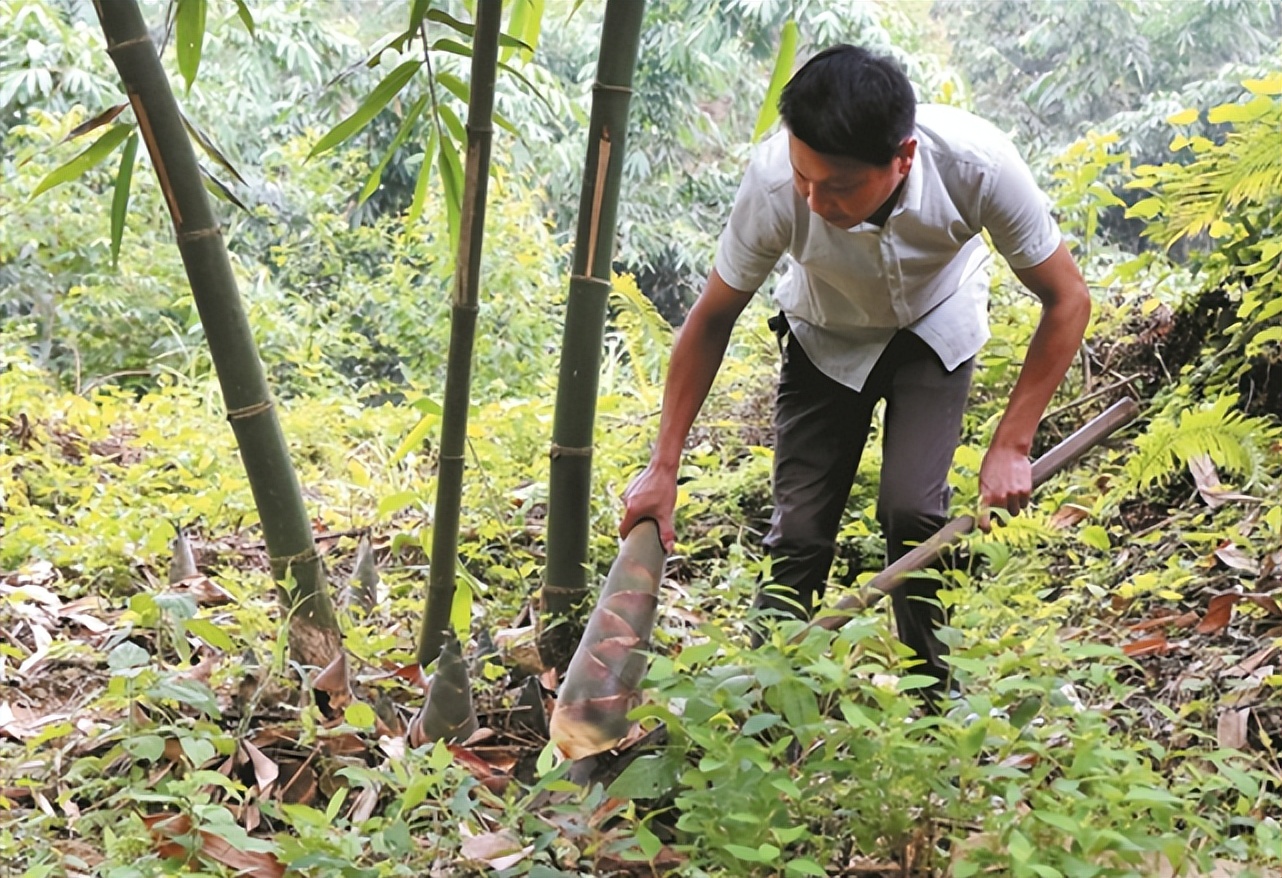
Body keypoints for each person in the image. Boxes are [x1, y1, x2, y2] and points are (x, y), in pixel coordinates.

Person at [618, 44, 1091, 688]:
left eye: (838, 185)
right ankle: (767, 693)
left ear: (903, 158)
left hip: (934, 328)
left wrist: (1011, 444)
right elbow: (710, 318)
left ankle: (936, 696)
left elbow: (1067, 299)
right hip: (825, 336)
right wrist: (662, 466)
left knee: (913, 513)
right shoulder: (772, 186)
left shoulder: (977, 166)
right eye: (804, 177)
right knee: (801, 532)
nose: (814, 201)